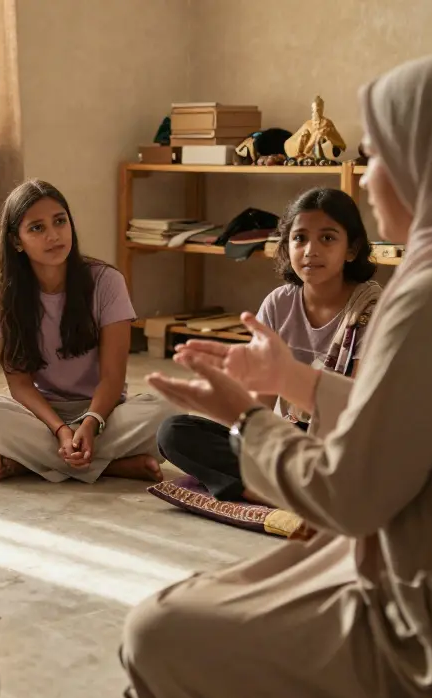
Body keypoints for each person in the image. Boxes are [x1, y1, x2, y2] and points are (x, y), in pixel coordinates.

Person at [124, 55, 432, 698]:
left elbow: (349, 496)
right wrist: (292, 380)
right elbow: (421, 416)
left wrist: (247, 419)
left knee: (157, 631)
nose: (366, 177)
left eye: (378, 156)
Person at [156, 187, 381, 503]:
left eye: (327, 238)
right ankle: (278, 493)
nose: (310, 250)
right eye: (299, 238)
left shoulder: (371, 311)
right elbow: (258, 408)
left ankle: (275, 490)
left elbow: (356, 412)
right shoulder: (278, 304)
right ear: (286, 246)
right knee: (174, 431)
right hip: (287, 442)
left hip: (341, 443)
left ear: (352, 249)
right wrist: (243, 425)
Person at [0, 180, 173, 483]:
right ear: (16, 241)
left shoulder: (107, 282)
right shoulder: (3, 297)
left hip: (104, 411)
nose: (53, 235)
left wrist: (90, 423)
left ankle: (31, 463)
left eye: (60, 221)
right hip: (41, 414)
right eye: (37, 228)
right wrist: (60, 430)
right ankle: (112, 466)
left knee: (168, 415)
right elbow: (20, 386)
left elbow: (113, 378)